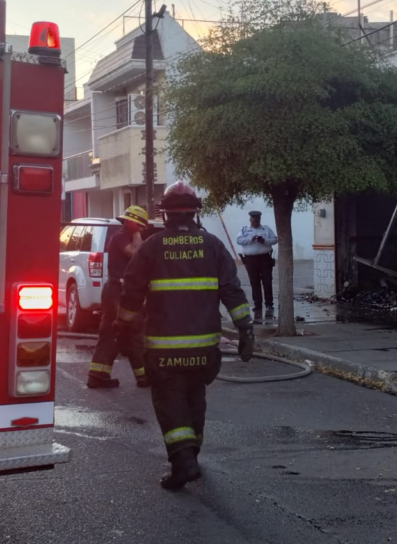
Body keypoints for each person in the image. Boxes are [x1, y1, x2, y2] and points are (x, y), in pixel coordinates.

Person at [116, 181, 255, 491]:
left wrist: (124, 328)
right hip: (205, 348)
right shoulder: (214, 246)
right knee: (195, 397)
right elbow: (232, 292)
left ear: (164, 215)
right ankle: (193, 454)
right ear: (194, 213)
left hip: (164, 349)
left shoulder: (151, 247)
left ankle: (183, 461)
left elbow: (131, 293)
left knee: (169, 399)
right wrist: (246, 329)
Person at [87, 205, 150, 389]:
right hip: (117, 291)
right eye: (139, 225)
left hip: (124, 292)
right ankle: (99, 376)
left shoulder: (130, 237)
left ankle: (140, 376)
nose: (141, 229)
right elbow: (135, 253)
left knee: (127, 333)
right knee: (121, 331)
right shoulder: (121, 237)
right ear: (131, 223)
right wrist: (137, 233)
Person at [236, 210, 278, 322]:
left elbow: (274, 240)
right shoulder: (245, 230)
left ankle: (269, 303)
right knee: (254, 282)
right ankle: (257, 304)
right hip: (251, 260)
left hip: (265, 258)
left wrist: (264, 240)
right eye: (254, 221)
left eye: (257, 220)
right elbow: (238, 240)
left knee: (267, 281)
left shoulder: (265, 229)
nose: (256, 222)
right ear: (250, 220)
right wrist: (250, 239)